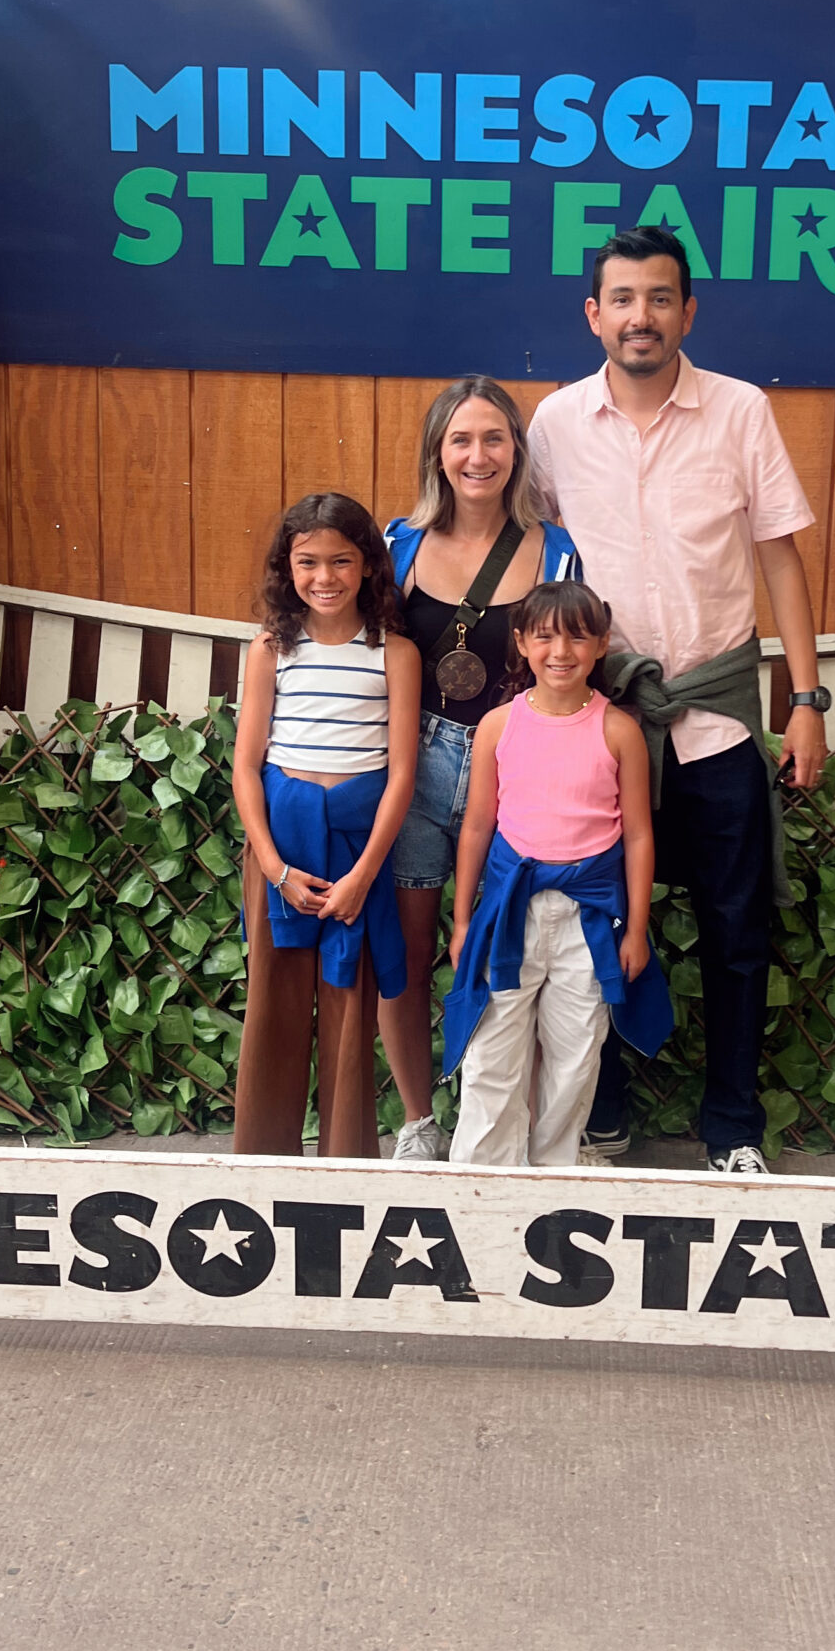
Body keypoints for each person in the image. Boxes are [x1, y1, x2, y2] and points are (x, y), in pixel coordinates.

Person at [526, 227, 831, 1177]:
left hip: (716, 716)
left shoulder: (739, 412)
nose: (640, 316)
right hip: (602, 722)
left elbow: (780, 551)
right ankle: (602, 1110)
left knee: (737, 931)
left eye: (659, 298)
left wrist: (808, 697)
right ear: (594, 315)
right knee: (596, 927)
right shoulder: (556, 424)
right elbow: (531, 555)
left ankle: (733, 1128)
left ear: (687, 312)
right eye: (622, 299)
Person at [380, 376, 581, 1164]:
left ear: (517, 451)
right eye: (461, 439)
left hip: (516, 779)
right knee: (407, 950)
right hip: (413, 772)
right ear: (438, 451)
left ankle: (492, 1122)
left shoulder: (557, 549)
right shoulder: (399, 547)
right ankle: (417, 1121)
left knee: (507, 957)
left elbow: (570, 670)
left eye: (494, 438)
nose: (478, 455)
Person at [443, 581, 672, 1170]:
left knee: (575, 1051)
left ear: (601, 645)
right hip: (508, 912)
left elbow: (639, 835)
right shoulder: (499, 725)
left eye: (577, 636)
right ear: (520, 643)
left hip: (589, 915)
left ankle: (553, 1173)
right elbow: (476, 827)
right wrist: (464, 919)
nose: (561, 651)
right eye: (544, 636)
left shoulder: (618, 730)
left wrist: (636, 929)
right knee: (494, 1048)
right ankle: (480, 1176)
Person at [231, 492, 420, 1159]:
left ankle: (347, 1162)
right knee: (273, 1005)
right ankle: (260, 1156)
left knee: (349, 1003)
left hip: (354, 853)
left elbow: (401, 773)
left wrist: (365, 875)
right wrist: (274, 868)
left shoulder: (394, 653)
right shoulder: (269, 649)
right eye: (308, 562)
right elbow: (246, 767)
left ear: (369, 563)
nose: (325, 577)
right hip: (282, 849)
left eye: (341, 560)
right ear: (288, 566)